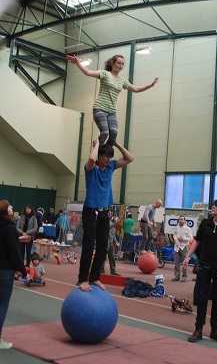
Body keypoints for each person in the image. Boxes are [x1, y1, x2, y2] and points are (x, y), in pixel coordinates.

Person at [78, 138, 133, 292]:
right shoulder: (90, 169)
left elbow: (130, 158)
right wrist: (96, 145)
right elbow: (91, 159)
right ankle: (82, 279)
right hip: (90, 211)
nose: (108, 159)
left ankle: (95, 278)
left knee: (103, 247)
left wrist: (116, 144)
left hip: (104, 212)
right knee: (89, 246)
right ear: (99, 156)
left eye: (110, 156)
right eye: (105, 156)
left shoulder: (111, 167)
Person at [66, 54, 158, 146]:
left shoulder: (123, 81)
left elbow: (136, 89)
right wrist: (77, 63)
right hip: (100, 108)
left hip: (111, 111)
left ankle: (105, 156)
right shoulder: (105, 74)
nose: (120, 66)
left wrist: (150, 85)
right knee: (105, 132)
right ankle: (96, 151)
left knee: (113, 134)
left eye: (122, 64)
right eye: (118, 63)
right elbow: (88, 72)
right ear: (112, 63)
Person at [183, 199, 217, 344]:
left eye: (216, 206)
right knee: (202, 298)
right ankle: (198, 329)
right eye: (213, 205)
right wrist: (187, 257)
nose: (212, 207)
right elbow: (196, 241)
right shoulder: (205, 224)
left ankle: (215, 330)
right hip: (204, 267)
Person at [0, 200, 30, 349]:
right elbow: (13, 252)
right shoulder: (10, 228)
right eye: (10, 206)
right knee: (2, 304)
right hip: (4, 271)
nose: (12, 207)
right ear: (6, 211)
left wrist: (18, 239)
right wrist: (24, 271)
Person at [172, 216, 192, 282]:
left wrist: (183, 239)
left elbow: (190, 238)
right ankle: (177, 276)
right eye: (179, 219)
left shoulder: (187, 228)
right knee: (176, 262)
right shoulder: (176, 227)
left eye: (182, 219)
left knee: (184, 263)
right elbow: (174, 235)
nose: (180, 220)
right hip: (176, 247)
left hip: (184, 247)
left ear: (184, 220)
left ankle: (184, 276)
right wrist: (175, 239)